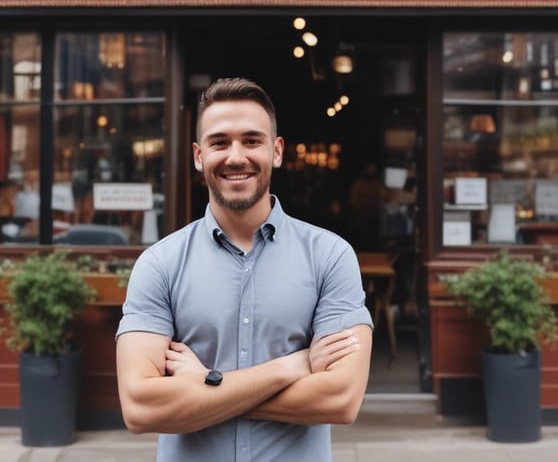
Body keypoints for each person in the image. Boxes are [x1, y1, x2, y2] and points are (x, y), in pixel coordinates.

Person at [116, 77, 374, 461]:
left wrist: (207, 384)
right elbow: (140, 407)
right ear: (199, 155)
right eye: (219, 142)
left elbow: (340, 400)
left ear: (277, 151)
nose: (236, 157)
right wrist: (294, 365)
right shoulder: (159, 264)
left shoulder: (330, 256)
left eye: (252, 141)